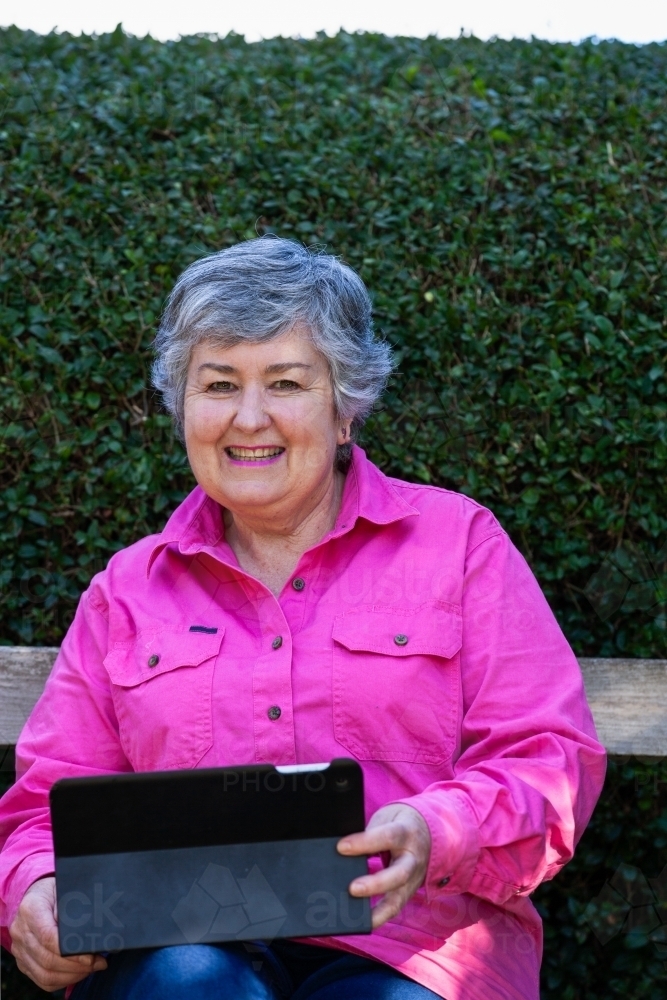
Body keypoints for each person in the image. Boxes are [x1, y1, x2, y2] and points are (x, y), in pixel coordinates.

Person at [0, 237, 605, 1000]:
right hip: (178, 954)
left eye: (285, 383)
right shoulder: (127, 591)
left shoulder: (460, 546)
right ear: (182, 407)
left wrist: (436, 830)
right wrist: (32, 890)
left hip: (414, 953)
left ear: (345, 407)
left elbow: (546, 758)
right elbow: (46, 803)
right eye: (218, 384)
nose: (248, 419)